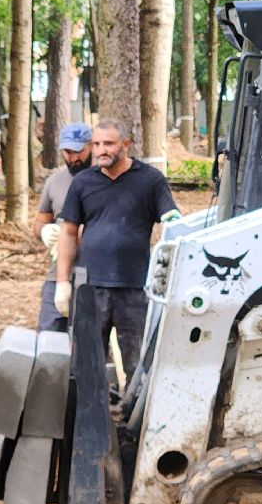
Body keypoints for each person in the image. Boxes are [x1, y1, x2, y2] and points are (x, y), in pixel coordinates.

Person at [54, 118, 178, 382]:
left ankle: (134, 418)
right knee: (86, 362)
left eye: (108, 144)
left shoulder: (150, 180)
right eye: (96, 144)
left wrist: (173, 220)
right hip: (91, 287)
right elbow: (67, 233)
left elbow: (172, 223)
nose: (101, 150)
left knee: (138, 362)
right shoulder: (83, 183)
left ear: (125, 144)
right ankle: (90, 419)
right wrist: (62, 282)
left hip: (135, 288)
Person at [32, 122, 94, 331]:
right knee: (48, 334)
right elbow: (41, 220)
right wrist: (44, 231)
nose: (73, 158)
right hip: (57, 274)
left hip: (95, 276)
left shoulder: (104, 181)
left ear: (92, 147)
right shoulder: (55, 182)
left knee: (90, 339)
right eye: (67, 152)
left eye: (78, 152)